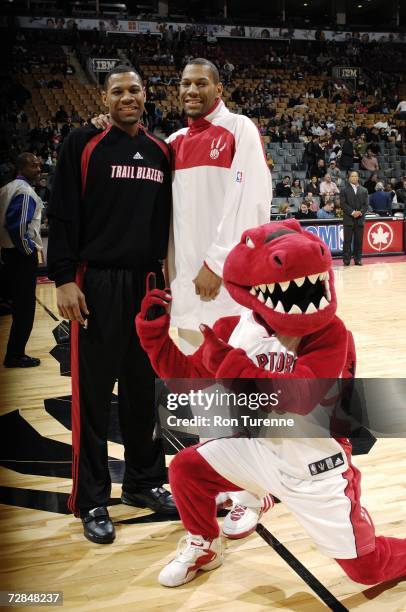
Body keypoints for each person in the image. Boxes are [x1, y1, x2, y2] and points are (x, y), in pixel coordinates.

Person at [135, 219, 406, 588]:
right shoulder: (236, 327)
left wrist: (226, 363)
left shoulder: (331, 334)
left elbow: (299, 399)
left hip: (313, 464)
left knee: (367, 571)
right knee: (186, 468)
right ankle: (205, 545)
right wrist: (156, 339)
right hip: (259, 448)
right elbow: (188, 381)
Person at [47, 65, 176, 545]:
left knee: (144, 396)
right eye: (118, 90)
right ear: (104, 97)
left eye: (134, 90)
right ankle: (93, 498)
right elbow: (61, 212)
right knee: (94, 398)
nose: (127, 97)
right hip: (94, 283)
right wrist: (63, 277)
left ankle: (144, 483)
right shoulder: (82, 145)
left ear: (145, 96)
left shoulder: (162, 152)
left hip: (147, 285)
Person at [0, 153, 43, 367]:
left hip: (9, 254)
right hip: (19, 255)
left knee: (18, 306)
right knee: (25, 309)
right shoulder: (24, 191)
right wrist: (28, 251)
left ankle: (14, 353)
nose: (38, 168)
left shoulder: (7, 188)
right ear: (22, 167)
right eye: (34, 165)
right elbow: (17, 227)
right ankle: (15, 355)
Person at [340, 170, 369, 266]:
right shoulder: (344, 190)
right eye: (352, 176)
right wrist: (353, 212)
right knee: (347, 241)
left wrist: (360, 212)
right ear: (349, 178)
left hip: (360, 220)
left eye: (356, 176)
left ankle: (358, 259)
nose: (354, 178)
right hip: (348, 219)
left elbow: (366, 205)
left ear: (358, 178)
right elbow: (343, 204)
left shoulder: (364, 190)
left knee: (358, 241)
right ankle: (346, 260)